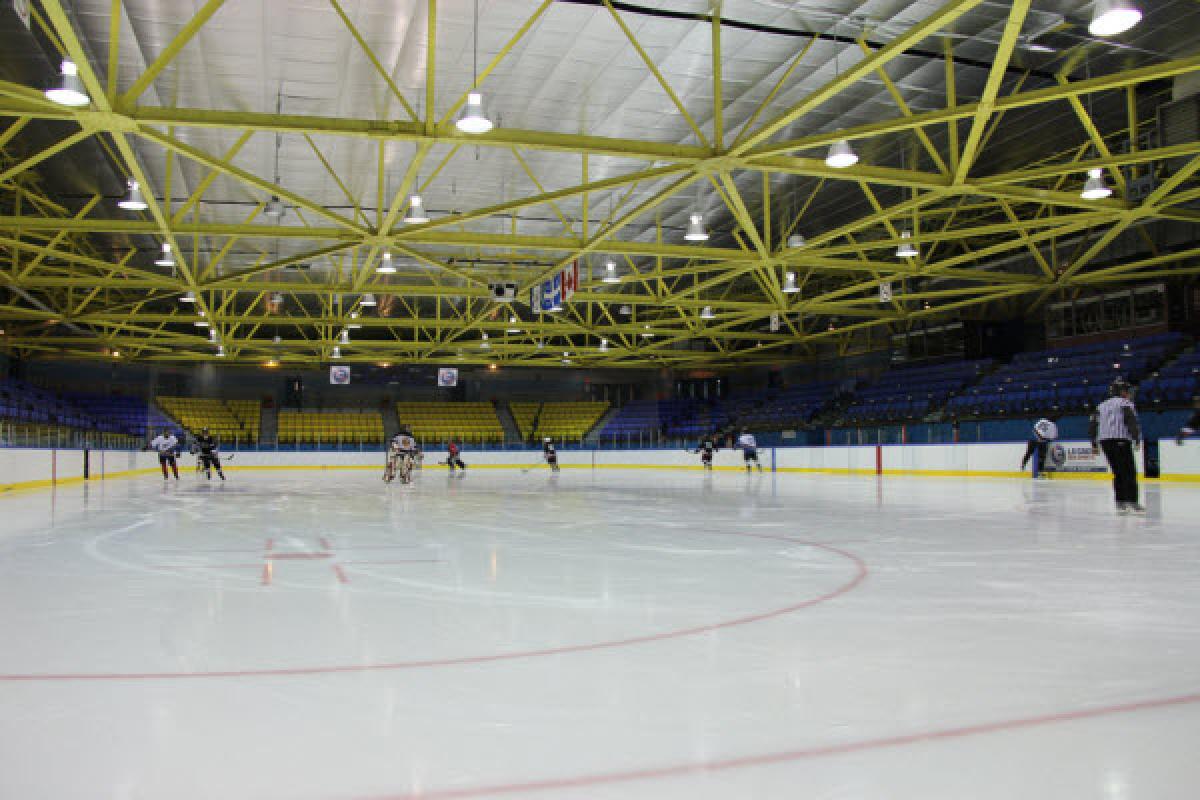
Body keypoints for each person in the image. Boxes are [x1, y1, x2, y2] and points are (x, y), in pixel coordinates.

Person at [1088, 378, 1143, 514]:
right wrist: (1136, 438)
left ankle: (1120, 502)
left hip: (1105, 442)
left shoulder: (1100, 406)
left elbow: (1093, 424)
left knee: (1117, 472)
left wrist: (1094, 443)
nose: (1128, 394)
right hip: (1121, 440)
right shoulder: (1125, 403)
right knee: (1129, 472)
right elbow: (1130, 421)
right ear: (1122, 392)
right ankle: (1132, 502)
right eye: (1127, 391)